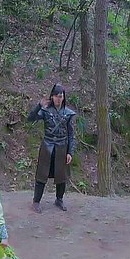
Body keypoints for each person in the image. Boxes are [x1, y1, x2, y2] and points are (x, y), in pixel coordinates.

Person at [27, 83, 76, 213]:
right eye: (56, 96)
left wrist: (70, 152)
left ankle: (59, 199)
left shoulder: (68, 113)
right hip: (47, 146)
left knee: (61, 176)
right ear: (52, 97)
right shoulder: (46, 111)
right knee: (41, 175)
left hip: (62, 147)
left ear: (63, 97)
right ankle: (36, 201)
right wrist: (39, 106)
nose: (59, 99)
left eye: (61, 96)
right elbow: (30, 118)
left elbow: (71, 135)